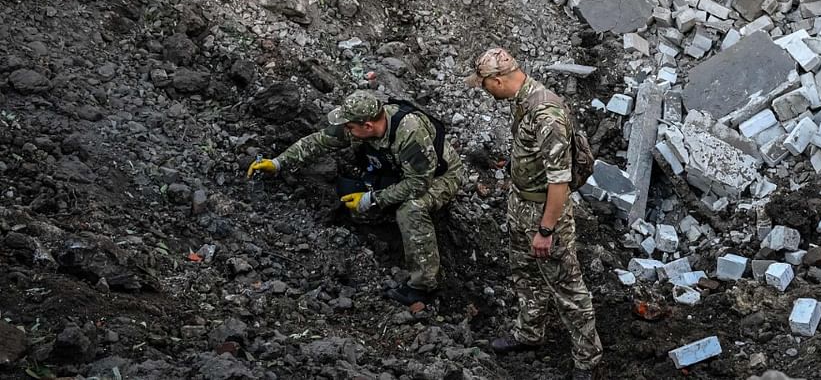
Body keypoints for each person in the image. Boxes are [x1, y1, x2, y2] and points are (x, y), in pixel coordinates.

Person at [246, 90, 463, 305]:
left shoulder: (410, 133)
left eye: (349, 127)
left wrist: (372, 198)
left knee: (411, 209)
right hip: (401, 171)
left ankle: (422, 286)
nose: (346, 131)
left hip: (440, 176)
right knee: (358, 190)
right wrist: (278, 163)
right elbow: (320, 141)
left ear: (367, 126)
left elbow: (418, 184)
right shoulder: (359, 127)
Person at [467, 48, 602, 380]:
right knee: (524, 273)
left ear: (497, 80)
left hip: (545, 211)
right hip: (521, 204)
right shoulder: (521, 100)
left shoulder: (546, 113)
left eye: (485, 86)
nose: (485, 91)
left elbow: (560, 181)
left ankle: (588, 360)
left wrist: (546, 230)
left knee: (567, 286)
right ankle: (529, 334)